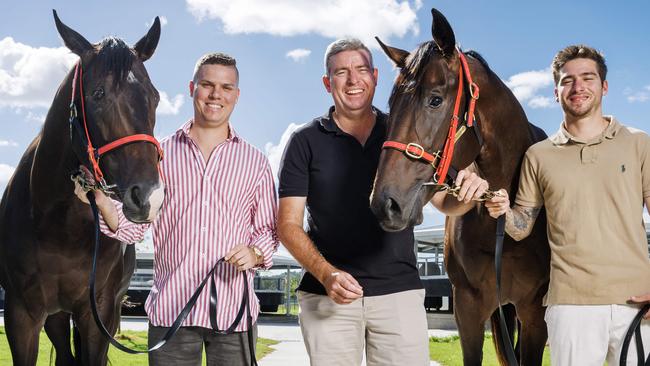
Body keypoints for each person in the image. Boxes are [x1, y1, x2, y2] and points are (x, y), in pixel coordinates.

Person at [75, 52, 278, 366]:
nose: (216, 95)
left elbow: (268, 230)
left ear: (236, 96)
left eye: (226, 87)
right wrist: (100, 200)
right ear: (191, 88)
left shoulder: (256, 162)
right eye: (207, 85)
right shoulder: (159, 156)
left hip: (234, 314)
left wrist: (256, 253)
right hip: (172, 313)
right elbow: (135, 227)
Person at [484, 44, 650, 365]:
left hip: (637, 304)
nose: (577, 87)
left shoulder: (639, 143)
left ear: (604, 86)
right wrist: (504, 211)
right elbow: (521, 227)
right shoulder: (539, 155)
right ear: (555, 92)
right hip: (570, 307)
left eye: (588, 78)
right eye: (567, 80)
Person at [278, 38, 432, 366]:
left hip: (399, 294)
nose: (353, 80)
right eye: (341, 72)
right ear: (326, 82)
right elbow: (287, 225)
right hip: (327, 296)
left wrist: (470, 189)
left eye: (361, 70)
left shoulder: (405, 132)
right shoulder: (305, 141)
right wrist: (326, 273)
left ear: (376, 76)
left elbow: (446, 201)